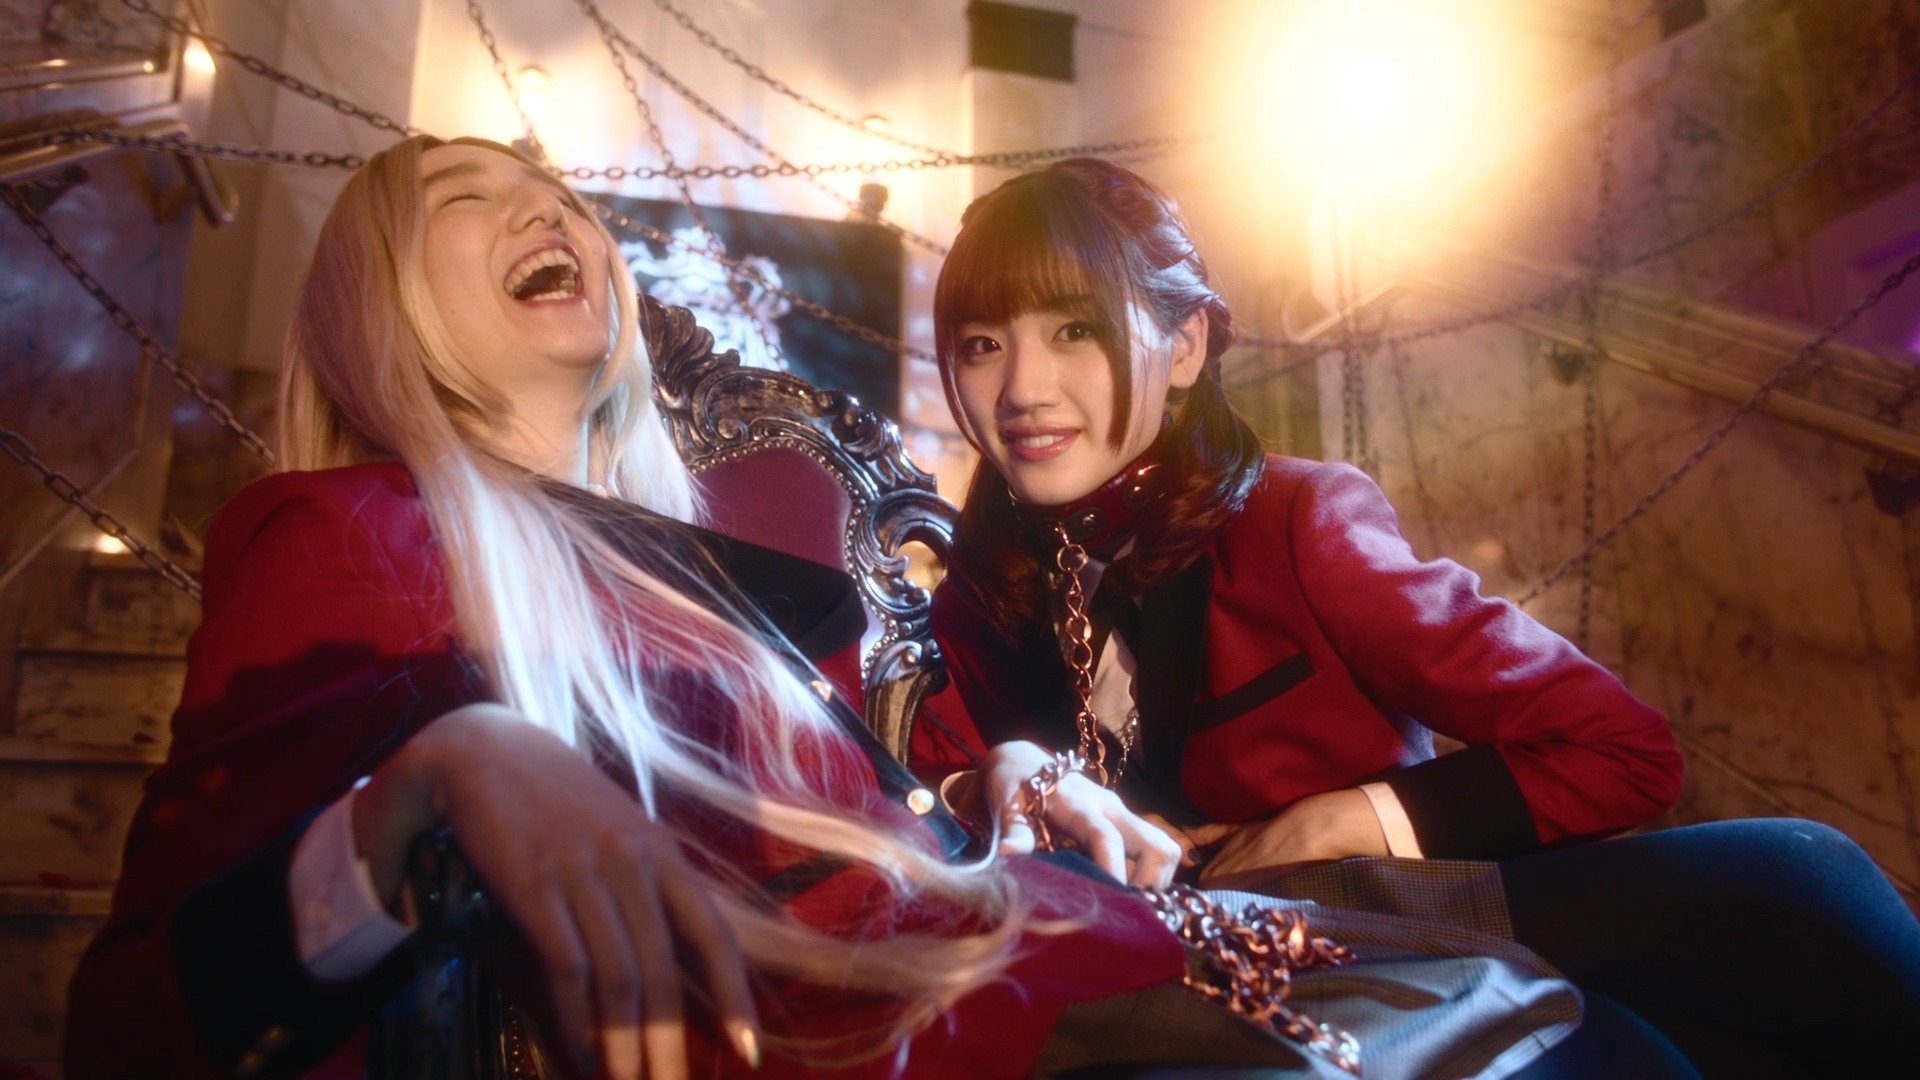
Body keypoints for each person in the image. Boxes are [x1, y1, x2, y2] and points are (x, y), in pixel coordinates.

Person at [63, 137, 1598, 1080]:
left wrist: (988, 784)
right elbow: (127, 1029)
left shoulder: (703, 565)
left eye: (556, 194)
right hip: (916, 1035)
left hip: (1049, 939)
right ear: (373, 306)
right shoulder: (344, 534)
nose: (548, 212)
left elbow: (838, 826)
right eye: (470, 195)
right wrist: (438, 775)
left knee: (1618, 1009)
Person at [915, 156, 1920, 1077]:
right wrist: (994, 774)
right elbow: (901, 780)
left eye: (1075, 329)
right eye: (983, 344)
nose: (1023, 389)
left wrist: (1340, 818)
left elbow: (1622, 750)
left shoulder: (1297, 521)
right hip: (1169, 969)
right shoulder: (983, 588)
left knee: (1801, 885)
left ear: (1185, 346)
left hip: (1388, 917)